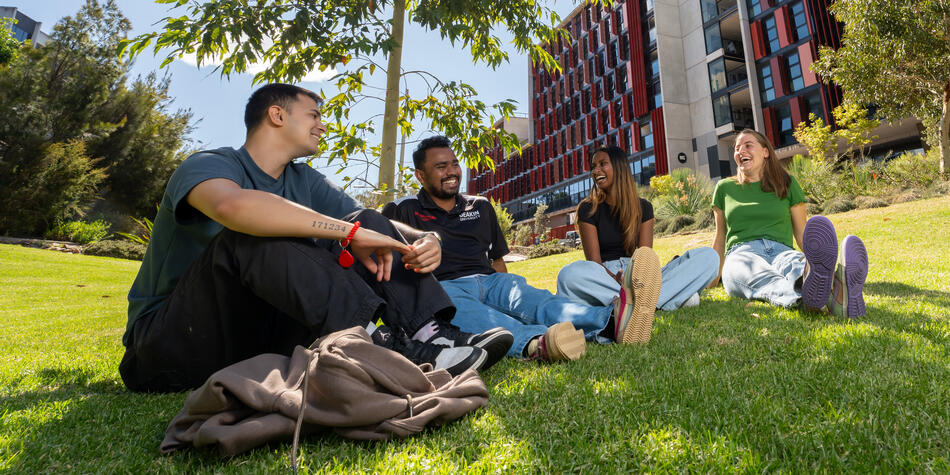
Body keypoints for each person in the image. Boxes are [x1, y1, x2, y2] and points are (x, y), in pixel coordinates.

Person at [120, 84, 512, 393]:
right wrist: (347, 232)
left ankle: (431, 334)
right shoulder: (211, 164)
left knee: (368, 218)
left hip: (256, 338)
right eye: (314, 115)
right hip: (167, 344)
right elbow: (233, 210)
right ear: (277, 115)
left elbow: (366, 221)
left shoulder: (303, 180)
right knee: (255, 233)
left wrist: (427, 237)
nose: (323, 124)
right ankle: (381, 347)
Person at [383, 136, 659, 363]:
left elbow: (497, 259)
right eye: (441, 167)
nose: (452, 172)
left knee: (538, 301)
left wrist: (505, 285)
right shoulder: (401, 209)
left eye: (455, 164)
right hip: (444, 288)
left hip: (492, 280)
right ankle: (537, 343)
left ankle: (611, 321)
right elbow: (389, 263)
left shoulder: (479, 206)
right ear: (420, 175)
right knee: (483, 318)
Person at [710, 129, 868, 317]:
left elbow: (802, 234)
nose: (740, 151)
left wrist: (811, 256)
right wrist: (711, 278)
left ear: (765, 152)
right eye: (737, 148)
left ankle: (826, 286)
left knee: (797, 266)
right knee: (756, 276)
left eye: (748, 145)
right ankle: (825, 297)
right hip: (741, 253)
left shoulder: (787, 183)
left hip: (781, 251)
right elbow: (720, 236)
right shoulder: (724, 188)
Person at [556, 145, 720, 313]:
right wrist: (617, 280)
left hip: (638, 276)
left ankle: (631, 305)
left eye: (602, 164)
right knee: (568, 275)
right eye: (593, 166)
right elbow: (594, 263)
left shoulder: (644, 207)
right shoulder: (588, 208)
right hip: (603, 277)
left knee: (709, 257)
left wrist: (634, 280)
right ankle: (660, 301)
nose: (595, 170)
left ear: (619, 168)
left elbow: (644, 257)